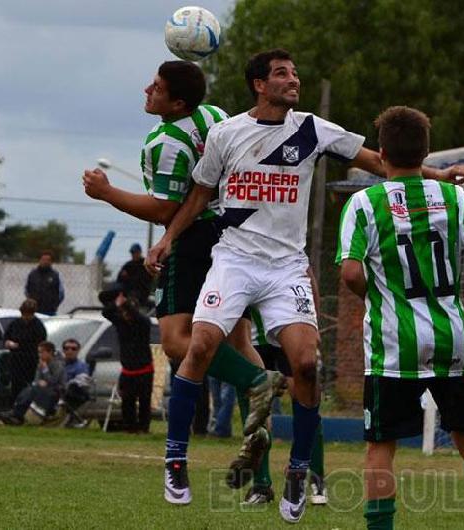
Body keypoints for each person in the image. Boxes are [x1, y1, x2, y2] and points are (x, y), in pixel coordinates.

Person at [145, 48, 464, 523]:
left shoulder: (313, 129)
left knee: (305, 365)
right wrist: (167, 240)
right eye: (282, 74)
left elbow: (381, 161)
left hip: (286, 267)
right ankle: (176, 461)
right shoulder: (226, 134)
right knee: (198, 345)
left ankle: (299, 472)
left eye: (295, 73)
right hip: (235, 259)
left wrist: (437, 174)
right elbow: (200, 194)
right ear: (259, 84)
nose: (293, 80)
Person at [82, 60, 283, 504]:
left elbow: (164, 211)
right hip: (235, 238)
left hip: (196, 241)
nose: (146, 90)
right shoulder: (211, 115)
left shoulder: (164, 141)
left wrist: (107, 193)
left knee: (177, 343)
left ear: (176, 102)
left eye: (155, 87)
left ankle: (255, 382)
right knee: (238, 345)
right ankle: (264, 480)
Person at [337, 106, 464, 530]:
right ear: (426, 151)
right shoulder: (456, 198)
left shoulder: (364, 204)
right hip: (451, 337)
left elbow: (350, 272)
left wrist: (374, 295)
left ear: (381, 153)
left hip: (393, 343)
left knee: (381, 445)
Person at [238, 306, 328, 507]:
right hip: (250, 337)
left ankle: (316, 478)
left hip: (285, 327)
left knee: (304, 396)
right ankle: (261, 485)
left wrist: (312, 322)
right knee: (255, 406)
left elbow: (308, 277)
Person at [100, 285, 154, 434]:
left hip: (144, 369)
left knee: (144, 401)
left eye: (127, 311)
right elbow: (106, 313)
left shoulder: (143, 324)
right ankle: (130, 427)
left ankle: (143, 427)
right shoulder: (121, 323)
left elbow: (139, 317)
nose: (125, 315)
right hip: (128, 370)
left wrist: (127, 306)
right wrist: (117, 304)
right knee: (127, 401)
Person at [0, 341, 66, 425]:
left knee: (33, 390)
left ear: (50, 352)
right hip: (42, 389)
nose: (39, 354)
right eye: (38, 352)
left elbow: (54, 381)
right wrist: (39, 381)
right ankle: (16, 412)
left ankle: (17, 414)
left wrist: (45, 370)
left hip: (56, 391)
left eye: (41, 352)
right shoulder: (41, 363)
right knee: (27, 390)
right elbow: (36, 379)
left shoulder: (58, 364)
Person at [3, 298, 48, 401]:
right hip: (15, 360)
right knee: (15, 385)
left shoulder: (38, 326)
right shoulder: (15, 324)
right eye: (24, 314)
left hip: (30, 360)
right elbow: (6, 337)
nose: (26, 317)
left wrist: (21, 346)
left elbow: (40, 343)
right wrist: (8, 343)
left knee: (28, 385)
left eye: (29, 314)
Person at [60, 338, 93, 428]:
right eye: (66, 348)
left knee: (73, 388)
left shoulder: (81, 366)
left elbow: (81, 381)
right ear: (63, 350)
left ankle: (68, 419)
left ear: (78, 350)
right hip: (55, 389)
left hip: (72, 393)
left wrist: (65, 385)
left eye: (73, 349)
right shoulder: (58, 364)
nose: (70, 351)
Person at [24, 250, 65, 316]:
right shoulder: (32, 274)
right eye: (43, 259)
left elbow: (61, 293)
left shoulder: (56, 275)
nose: (45, 262)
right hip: (34, 311)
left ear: (51, 262)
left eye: (48, 260)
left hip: (50, 311)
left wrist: (54, 305)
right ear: (39, 260)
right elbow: (26, 290)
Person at [116, 243, 153, 307]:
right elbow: (119, 278)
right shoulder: (128, 264)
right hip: (128, 290)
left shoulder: (145, 263)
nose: (133, 254)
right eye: (132, 253)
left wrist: (127, 277)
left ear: (139, 252)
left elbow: (143, 279)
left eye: (135, 252)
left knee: (134, 297)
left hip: (141, 291)